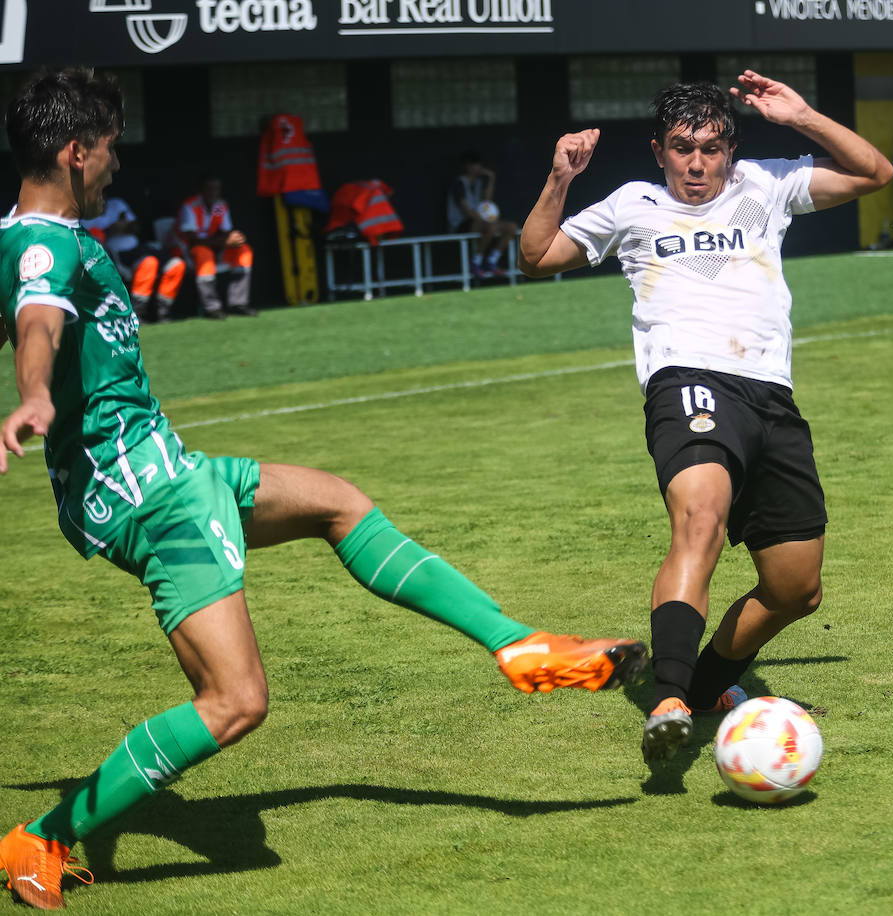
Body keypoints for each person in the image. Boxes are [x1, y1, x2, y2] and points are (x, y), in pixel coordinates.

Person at [0, 67, 647, 911]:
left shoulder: (47, 232)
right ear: (74, 151)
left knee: (339, 501)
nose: (119, 161)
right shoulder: (42, 243)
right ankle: (42, 838)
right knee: (234, 704)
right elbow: (37, 319)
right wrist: (36, 393)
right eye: (111, 146)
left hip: (174, 473)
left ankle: (517, 646)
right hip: (151, 502)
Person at [517, 72, 892, 764]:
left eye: (713, 149)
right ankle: (666, 696)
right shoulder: (632, 205)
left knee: (796, 588)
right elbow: (536, 257)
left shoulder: (765, 185)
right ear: (659, 150)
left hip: (772, 399)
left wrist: (804, 115)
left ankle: (705, 686)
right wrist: (559, 178)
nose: (698, 164)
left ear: (731, 150)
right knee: (701, 519)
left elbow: (875, 173)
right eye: (684, 148)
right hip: (686, 381)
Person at [83, 193, 185, 322]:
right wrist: (111, 229)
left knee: (176, 264)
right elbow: (91, 244)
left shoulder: (117, 204)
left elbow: (137, 228)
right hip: (116, 254)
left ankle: (164, 312)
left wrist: (127, 226)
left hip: (138, 247)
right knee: (149, 263)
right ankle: (139, 313)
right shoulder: (84, 213)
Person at [178, 174, 255, 318]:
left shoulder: (219, 206)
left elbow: (226, 231)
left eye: (217, 189)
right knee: (203, 253)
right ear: (201, 190)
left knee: (243, 250)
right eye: (210, 189)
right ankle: (212, 307)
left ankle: (238, 303)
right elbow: (192, 240)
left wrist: (233, 238)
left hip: (215, 247)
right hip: (188, 251)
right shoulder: (191, 206)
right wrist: (224, 241)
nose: (213, 193)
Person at [446, 150, 519, 279]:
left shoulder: (479, 182)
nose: (477, 168)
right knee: (491, 227)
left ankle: (492, 260)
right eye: (474, 164)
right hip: (462, 223)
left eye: (479, 164)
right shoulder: (459, 183)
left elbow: (487, 203)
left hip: (481, 221)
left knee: (511, 227)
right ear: (467, 166)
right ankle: (476, 262)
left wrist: (491, 178)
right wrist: (488, 222)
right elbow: (466, 210)